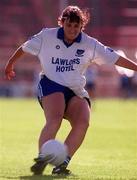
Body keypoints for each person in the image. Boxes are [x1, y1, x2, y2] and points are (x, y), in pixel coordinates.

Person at [5, 5, 137, 175]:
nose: (72, 30)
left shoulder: (90, 43)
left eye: (77, 26)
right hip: (51, 84)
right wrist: (10, 64)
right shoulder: (47, 36)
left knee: (83, 121)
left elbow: (116, 58)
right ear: (62, 23)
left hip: (75, 89)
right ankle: (42, 158)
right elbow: (24, 47)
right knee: (56, 117)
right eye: (69, 25)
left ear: (82, 26)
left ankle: (62, 163)